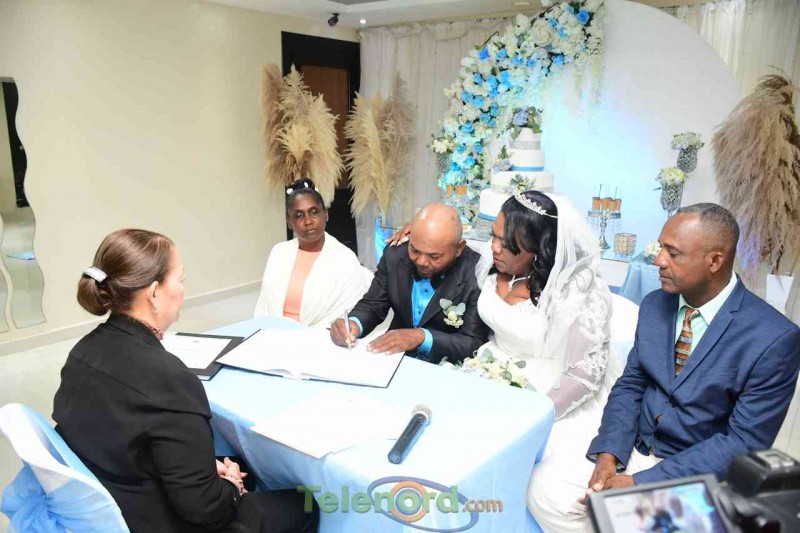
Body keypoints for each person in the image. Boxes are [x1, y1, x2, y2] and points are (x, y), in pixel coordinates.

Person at [529, 203, 800, 533]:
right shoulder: (655, 304)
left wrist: (641, 483)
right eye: (660, 248)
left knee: (632, 520)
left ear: (715, 261)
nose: (658, 260)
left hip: (698, 472)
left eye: (673, 253)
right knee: (546, 490)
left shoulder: (774, 338)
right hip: (634, 449)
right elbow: (631, 385)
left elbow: (743, 442)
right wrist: (610, 455)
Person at [53, 229, 318, 533]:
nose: (183, 289)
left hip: (118, 500)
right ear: (154, 293)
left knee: (236, 462)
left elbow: (124, 438)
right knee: (304, 503)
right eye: (180, 280)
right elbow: (206, 510)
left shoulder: (82, 352)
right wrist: (231, 486)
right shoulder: (170, 379)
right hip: (160, 521)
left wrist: (202, 468)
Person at [330, 203, 489, 363]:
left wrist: (422, 337)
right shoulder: (395, 255)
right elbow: (373, 304)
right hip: (393, 358)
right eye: (414, 250)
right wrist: (354, 324)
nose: (421, 261)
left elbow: (473, 342)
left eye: (434, 256)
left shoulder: (477, 274)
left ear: (459, 248)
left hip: (446, 365)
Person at [254, 178, 371, 328]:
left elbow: (350, 312)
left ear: (326, 214)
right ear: (289, 222)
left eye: (314, 212)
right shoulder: (279, 253)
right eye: (299, 215)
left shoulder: (344, 258)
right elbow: (265, 308)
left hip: (320, 336)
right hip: (273, 332)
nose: (308, 221)